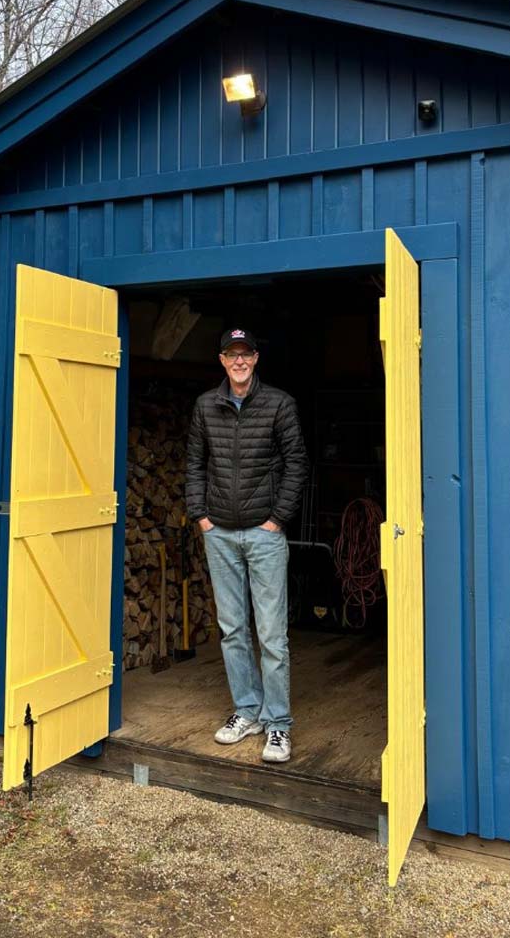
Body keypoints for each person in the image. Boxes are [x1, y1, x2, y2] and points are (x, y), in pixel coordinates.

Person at [185, 327, 308, 764]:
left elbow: (297, 464)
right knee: (233, 630)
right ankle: (247, 711)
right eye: (230, 354)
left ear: (255, 359)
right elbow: (195, 463)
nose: (238, 361)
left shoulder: (279, 404)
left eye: (245, 354)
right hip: (219, 532)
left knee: (272, 635)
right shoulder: (205, 405)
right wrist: (201, 516)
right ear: (221, 360)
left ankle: (278, 725)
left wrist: (277, 520)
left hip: (263, 534)